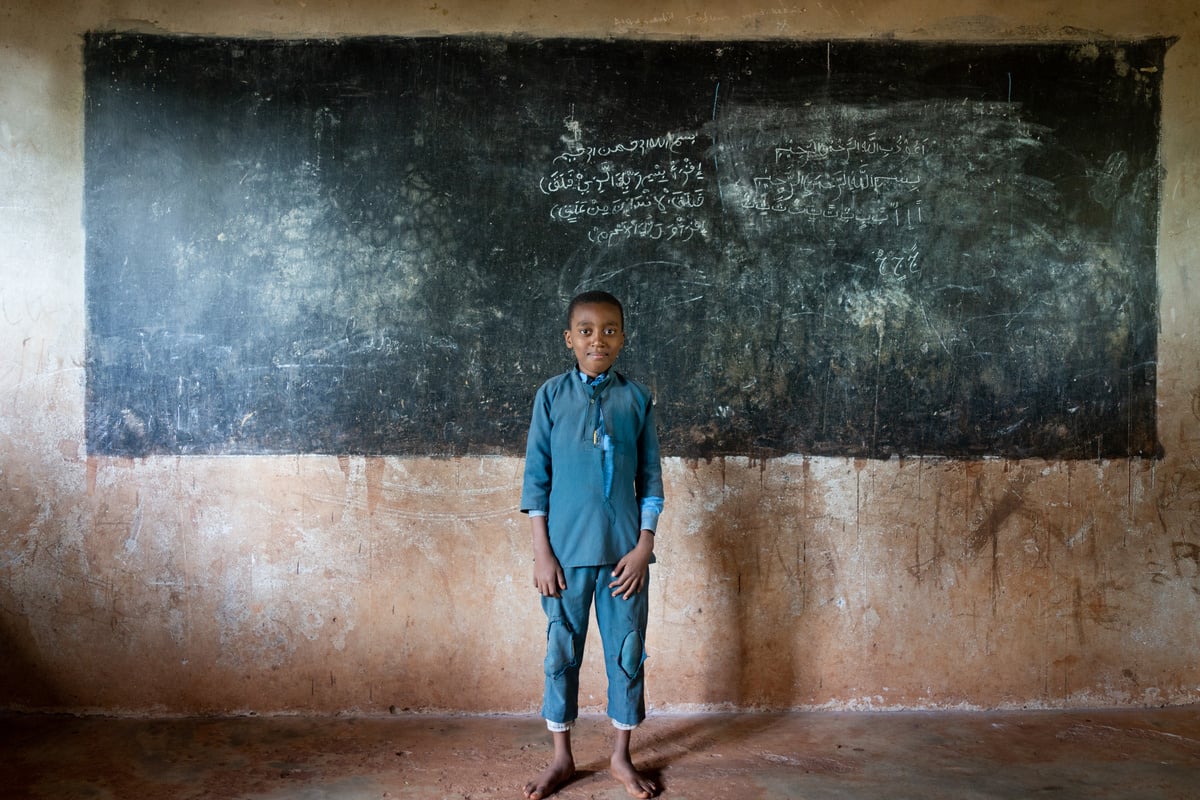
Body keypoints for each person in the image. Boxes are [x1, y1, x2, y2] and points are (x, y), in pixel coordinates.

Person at [520, 290, 664, 799]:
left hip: (624, 558)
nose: (596, 340)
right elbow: (536, 480)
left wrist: (644, 546)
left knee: (627, 653)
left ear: (623, 337)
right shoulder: (551, 397)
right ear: (569, 339)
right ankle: (562, 758)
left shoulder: (636, 399)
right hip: (563, 558)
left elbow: (650, 480)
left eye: (608, 330)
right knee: (561, 654)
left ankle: (621, 756)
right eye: (585, 330)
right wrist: (542, 552)